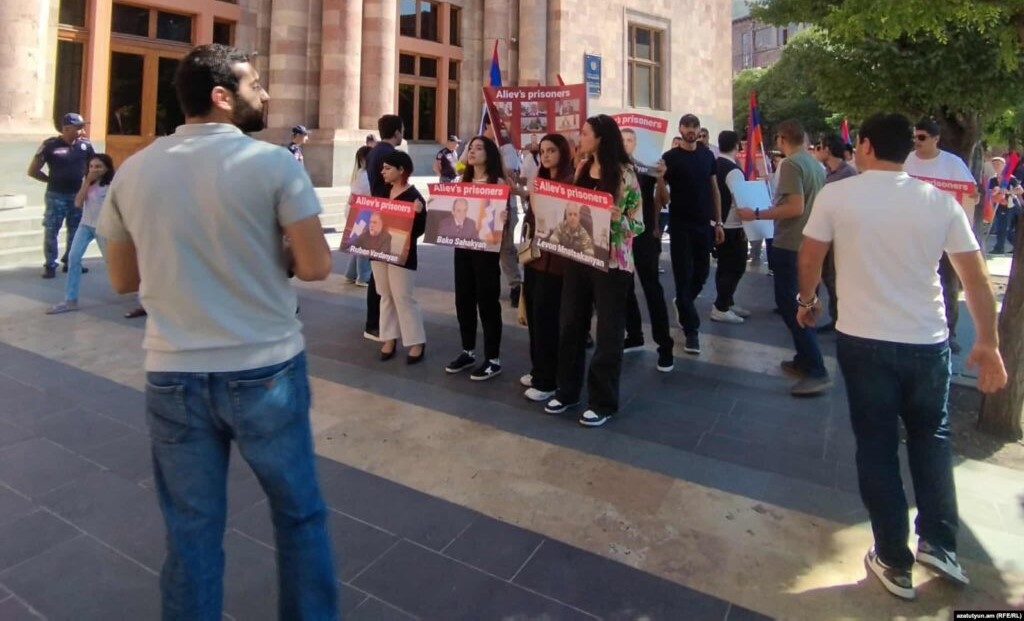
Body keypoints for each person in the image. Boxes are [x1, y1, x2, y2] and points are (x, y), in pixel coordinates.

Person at [97, 44, 337, 618]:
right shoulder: (275, 163)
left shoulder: (134, 170)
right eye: (255, 84)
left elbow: (124, 279)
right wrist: (263, 253)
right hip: (265, 367)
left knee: (191, 534)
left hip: (173, 371)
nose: (267, 94)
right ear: (221, 95)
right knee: (298, 515)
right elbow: (315, 265)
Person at [796, 112, 1007, 601]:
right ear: (906, 151)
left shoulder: (839, 194)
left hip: (864, 339)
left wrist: (807, 303)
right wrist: (988, 343)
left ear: (865, 146)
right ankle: (940, 543)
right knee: (931, 439)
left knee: (876, 444)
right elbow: (974, 278)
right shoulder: (938, 202)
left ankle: (893, 557)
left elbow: (809, 256)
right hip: (929, 341)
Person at [543, 115, 644, 427]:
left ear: (600, 137)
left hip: (612, 262)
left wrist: (618, 218)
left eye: (585, 133)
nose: (580, 136)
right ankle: (568, 389)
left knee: (609, 331)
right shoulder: (582, 169)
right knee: (571, 322)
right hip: (580, 255)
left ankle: (602, 401)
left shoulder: (626, 175)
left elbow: (638, 224)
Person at [737, 119, 831, 396]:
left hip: (791, 243)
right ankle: (804, 359)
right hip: (810, 242)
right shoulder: (816, 164)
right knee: (803, 301)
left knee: (791, 305)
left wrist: (756, 214)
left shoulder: (790, 165)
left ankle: (816, 368)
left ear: (780, 139)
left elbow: (794, 206)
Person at [903, 117, 979, 355]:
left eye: (922, 137)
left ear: (936, 139)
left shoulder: (952, 163)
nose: (917, 142)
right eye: (914, 137)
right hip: (912, 233)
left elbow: (970, 193)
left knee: (947, 284)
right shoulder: (907, 161)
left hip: (945, 234)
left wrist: (973, 197)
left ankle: (949, 332)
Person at [656, 113, 724, 355]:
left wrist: (718, 222)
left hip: (703, 224)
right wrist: (661, 179)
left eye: (694, 126)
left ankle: (682, 302)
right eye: (687, 126)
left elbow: (714, 188)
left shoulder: (707, 155)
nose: (691, 130)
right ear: (681, 129)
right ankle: (691, 331)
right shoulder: (670, 157)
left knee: (702, 273)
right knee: (683, 277)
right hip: (680, 224)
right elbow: (663, 197)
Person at [445, 136, 508, 380]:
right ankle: (467, 350)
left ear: (489, 154)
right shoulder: (463, 181)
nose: (472, 152)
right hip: (463, 248)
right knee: (464, 299)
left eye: (478, 148)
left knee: (488, 302)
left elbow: (503, 218)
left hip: (486, 250)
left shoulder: (498, 182)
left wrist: (502, 219)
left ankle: (493, 358)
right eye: (470, 148)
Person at [521, 133, 573, 402]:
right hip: (535, 258)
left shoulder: (571, 181)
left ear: (563, 152)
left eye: (552, 150)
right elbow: (530, 220)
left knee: (548, 320)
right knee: (534, 316)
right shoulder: (539, 181)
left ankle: (548, 379)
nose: (546, 155)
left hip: (558, 264)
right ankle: (538, 368)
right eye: (542, 151)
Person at [621, 127, 675, 372]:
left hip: (643, 235)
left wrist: (661, 177)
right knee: (625, 287)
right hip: (620, 235)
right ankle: (634, 335)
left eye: (630, 139)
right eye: (622, 139)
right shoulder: (613, 167)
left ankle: (665, 347)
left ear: (636, 143)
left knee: (652, 288)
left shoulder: (647, 167)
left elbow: (663, 200)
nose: (626, 143)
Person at [374, 150, 428, 363]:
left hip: (402, 254)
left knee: (403, 297)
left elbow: (418, 231)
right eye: (383, 168)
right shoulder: (381, 191)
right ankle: (388, 338)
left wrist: (417, 214)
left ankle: (416, 342)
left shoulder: (414, 196)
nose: (383, 172)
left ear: (401, 170)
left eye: (388, 168)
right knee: (385, 294)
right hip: (378, 251)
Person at [28, 112, 95, 279]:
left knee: (76, 231)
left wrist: (88, 187)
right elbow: (33, 170)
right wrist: (52, 180)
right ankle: (50, 265)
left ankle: (71, 262)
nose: (82, 131)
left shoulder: (85, 146)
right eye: (78, 128)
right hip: (55, 195)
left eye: (82, 128)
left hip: (77, 196)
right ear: (66, 128)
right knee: (52, 230)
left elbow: (93, 167)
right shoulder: (50, 145)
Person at [46, 154, 115, 314]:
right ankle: (71, 300)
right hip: (85, 225)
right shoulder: (88, 184)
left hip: (103, 228)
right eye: (91, 167)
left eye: (98, 167)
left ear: (106, 168)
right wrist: (86, 182)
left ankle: (141, 295)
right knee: (73, 257)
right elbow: (77, 203)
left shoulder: (111, 185)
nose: (94, 170)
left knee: (112, 263)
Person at [362, 114, 405, 341]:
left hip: (379, 212)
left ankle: (378, 321)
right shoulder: (390, 154)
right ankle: (374, 323)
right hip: (387, 215)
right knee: (380, 274)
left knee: (380, 271)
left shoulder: (375, 151)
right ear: (397, 132)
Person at [815, 134, 859, 332]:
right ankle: (836, 319)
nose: (817, 150)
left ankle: (843, 321)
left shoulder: (847, 173)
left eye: (820, 146)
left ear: (828, 149)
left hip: (840, 235)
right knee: (828, 277)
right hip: (826, 233)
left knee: (836, 279)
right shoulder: (827, 172)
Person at [710, 131, 751, 325]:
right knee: (735, 267)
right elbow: (741, 199)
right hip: (732, 224)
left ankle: (727, 301)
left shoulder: (714, 165)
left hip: (717, 222)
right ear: (737, 145)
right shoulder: (733, 171)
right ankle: (721, 306)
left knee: (724, 266)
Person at [343, 145, 373, 286]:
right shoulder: (365, 176)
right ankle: (363, 276)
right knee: (363, 245)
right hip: (362, 213)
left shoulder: (360, 173)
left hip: (357, 212)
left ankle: (351, 273)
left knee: (358, 244)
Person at [987, 156, 1021, 255]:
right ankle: (1016, 247)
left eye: (998, 164)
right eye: (994, 164)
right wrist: (995, 192)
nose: (996, 166)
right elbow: (990, 192)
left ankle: (999, 248)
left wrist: (1008, 191)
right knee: (1003, 228)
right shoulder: (993, 179)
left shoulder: (1010, 178)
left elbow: (1020, 190)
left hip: (1011, 205)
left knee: (1005, 228)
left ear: (1004, 166)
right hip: (999, 204)